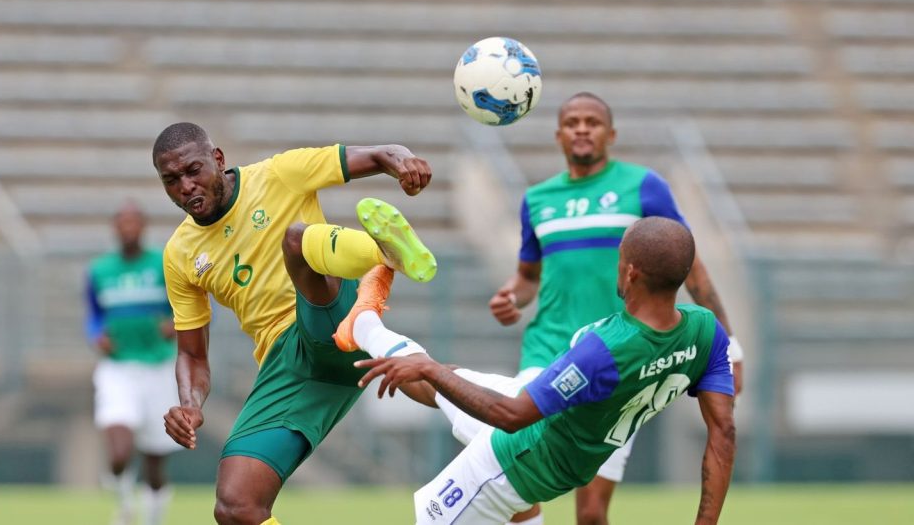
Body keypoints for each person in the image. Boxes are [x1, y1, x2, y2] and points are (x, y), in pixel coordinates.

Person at [347, 217, 737, 525]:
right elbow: (723, 432)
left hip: (513, 460)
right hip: (551, 428)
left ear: (631, 272)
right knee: (445, 382)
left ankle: (369, 329)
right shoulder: (706, 330)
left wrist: (429, 370)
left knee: (436, 376)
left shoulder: (604, 349)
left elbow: (511, 416)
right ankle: (363, 324)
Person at [153, 122, 437, 525]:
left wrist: (404, 162)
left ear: (218, 160)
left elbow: (378, 154)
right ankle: (383, 259)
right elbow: (192, 354)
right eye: (171, 180)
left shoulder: (278, 174)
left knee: (296, 241)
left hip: (330, 313)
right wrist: (189, 404)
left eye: (193, 170)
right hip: (289, 367)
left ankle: (383, 253)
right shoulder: (179, 255)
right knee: (235, 504)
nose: (185, 186)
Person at [485, 92, 745, 524]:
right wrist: (512, 295)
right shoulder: (537, 200)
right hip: (547, 352)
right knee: (514, 486)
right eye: (572, 122)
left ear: (611, 133)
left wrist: (730, 344)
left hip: (616, 363)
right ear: (558, 135)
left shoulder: (643, 187)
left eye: (592, 121)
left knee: (590, 513)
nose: (582, 129)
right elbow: (528, 276)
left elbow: (690, 264)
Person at [86, 200, 181, 525]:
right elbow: (94, 316)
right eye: (122, 223)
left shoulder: (162, 265)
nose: (128, 229)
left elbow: (183, 305)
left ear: (143, 227)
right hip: (118, 368)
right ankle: (124, 506)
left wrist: (175, 323)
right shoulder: (100, 270)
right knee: (119, 451)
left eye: (133, 222)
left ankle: (154, 519)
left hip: (158, 367)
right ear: (115, 229)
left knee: (154, 460)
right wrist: (97, 334)